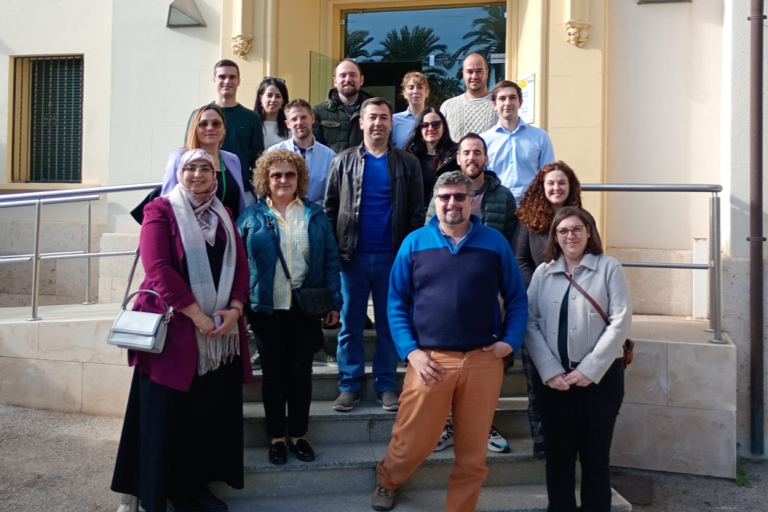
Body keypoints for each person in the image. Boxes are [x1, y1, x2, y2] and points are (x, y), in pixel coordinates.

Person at [372, 171, 528, 512]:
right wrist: (411, 352)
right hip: (431, 361)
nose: (452, 203)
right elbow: (395, 302)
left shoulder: (494, 242)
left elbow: (516, 298)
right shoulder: (414, 243)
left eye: (459, 196)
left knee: (472, 452)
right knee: (414, 440)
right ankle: (388, 478)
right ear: (435, 200)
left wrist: (510, 342)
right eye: (445, 197)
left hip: (484, 359)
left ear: (472, 201)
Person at [111, 149, 253, 512]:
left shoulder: (225, 215)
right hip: (175, 335)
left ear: (216, 175)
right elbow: (159, 270)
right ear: (178, 172)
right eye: (190, 167)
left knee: (204, 417)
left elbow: (240, 267)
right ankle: (162, 492)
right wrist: (198, 317)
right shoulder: (159, 210)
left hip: (220, 337)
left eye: (206, 168)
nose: (198, 174)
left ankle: (195, 489)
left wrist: (235, 310)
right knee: (166, 418)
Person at [237, 149, 342, 466]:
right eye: (276, 175)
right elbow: (240, 265)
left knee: (301, 374)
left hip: (304, 307)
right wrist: (239, 306)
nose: (283, 180)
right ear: (265, 180)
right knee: (273, 375)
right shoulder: (250, 217)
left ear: (300, 179)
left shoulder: (315, 214)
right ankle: (277, 439)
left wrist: (335, 301)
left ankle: (298, 436)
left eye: (290, 174)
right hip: (266, 308)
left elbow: (331, 261)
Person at [525, 206, 631, 512]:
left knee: (595, 458)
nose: (570, 235)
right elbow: (530, 323)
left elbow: (620, 321)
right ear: (555, 238)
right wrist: (549, 370)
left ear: (588, 232)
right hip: (554, 382)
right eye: (563, 231)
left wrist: (590, 369)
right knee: (558, 458)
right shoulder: (544, 273)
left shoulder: (609, 268)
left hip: (599, 381)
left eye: (576, 229)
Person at [324, 97, 424, 412]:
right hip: (351, 257)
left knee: (389, 325)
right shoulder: (342, 161)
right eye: (372, 117)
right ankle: (349, 385)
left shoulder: (408, 163)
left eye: (384, 117)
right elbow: (329, 211)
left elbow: (416, 213)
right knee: (350, 325)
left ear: (391, 123)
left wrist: (411, 257)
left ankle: (386, 385)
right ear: (361, 122)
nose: (378, 122)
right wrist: (332, 256)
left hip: (392, 258)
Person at [425, 133, 518, 455]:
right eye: (466, 152)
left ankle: (484, 423)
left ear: (485, 158)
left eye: (478, 152)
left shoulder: (502, 196)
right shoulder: (443, 192)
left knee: (489, 368)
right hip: (446, 294)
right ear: (459, 157)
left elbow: (511, 241)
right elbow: (429, 233)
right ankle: (449, 424)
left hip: (490, 290)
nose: (472, 157)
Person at [515, 161, 590, 460]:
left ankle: (570, 442)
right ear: (541, 187)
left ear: (570, 187)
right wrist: (541, 290)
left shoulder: (583, 220)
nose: (556, 188)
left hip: (576, 314)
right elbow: (520, 260)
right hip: (538, 311)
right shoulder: (528, 220)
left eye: (562, 182)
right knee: (538, 381)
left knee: (571, 380)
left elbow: (594, 259)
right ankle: (542, 442)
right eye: (551, 183)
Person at [188, 60, 264, 200]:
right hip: (202, 190)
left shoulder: (252, 118)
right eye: (222, 77)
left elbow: (258, 161)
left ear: (239, 81)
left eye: (232, 77)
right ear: (214, 80)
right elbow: (189, 152)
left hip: (241, 190)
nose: (227, 81)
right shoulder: (198, 116)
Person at [163, 105, 247, 217]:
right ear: (195, 129)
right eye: (203, 124)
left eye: (216, 123)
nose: (210, 128)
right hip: (191, 230)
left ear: (224, 130)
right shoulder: (179, 157)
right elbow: (168, 199)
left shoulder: (232, 159)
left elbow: (239, 203)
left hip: (230, 230)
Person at [481, 80, 555, 204]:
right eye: (502, 98)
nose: (507, 103)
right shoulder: (484, 140)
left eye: (512, 98)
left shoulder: (540, 137)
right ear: (494, 104)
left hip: (531, 208)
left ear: (520, 102)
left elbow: (549, 176)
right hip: (497, 208)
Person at [266, 99, 335, 204]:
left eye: (303, 117)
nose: (299, 123)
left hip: (317, 216)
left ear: (312, 118)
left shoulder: (329, 156)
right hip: (282, 216)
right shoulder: (274, 153)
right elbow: (265, 190)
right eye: (294, 119)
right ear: (288, 124)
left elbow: (332, 195)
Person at [313, 58, 372, 153]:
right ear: (335, 81)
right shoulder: (319, 111)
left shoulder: (374, 111)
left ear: (361, 80)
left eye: (353, 75)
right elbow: (315, 149)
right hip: (331, 167)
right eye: (343, 75)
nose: (348, 80)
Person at [404, 108, 458, 206]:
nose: (430, 129)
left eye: (435, 124)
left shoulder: (455, 156)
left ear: (444, 128)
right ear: (420, 130)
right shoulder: (409, 157)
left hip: (447, 213)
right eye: (425, 125)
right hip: (416, 215)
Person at [440, 53, 498, 141]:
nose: (474, 76)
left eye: (479, 71)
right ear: (463, 74)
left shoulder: (499, 105)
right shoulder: (447, 107)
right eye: (470, 72)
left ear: (487, 73)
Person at [392, 71, 429, 149]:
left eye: (420, 87)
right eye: (411, 87)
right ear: (404, 93)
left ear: (427, 92)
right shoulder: (393, 120)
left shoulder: (434, 121)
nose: (415, 91)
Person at [256, 76, 291, 149]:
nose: (273, 100)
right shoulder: (252, 125)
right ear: (261, 98)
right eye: (269, 95)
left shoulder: (290, 127)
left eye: (278, 96)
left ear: (283, 101)